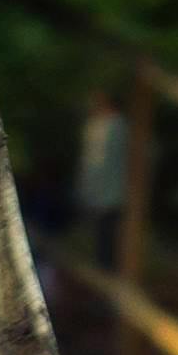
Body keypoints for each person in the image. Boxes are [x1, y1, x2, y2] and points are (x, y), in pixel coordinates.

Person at [74, 84, 130, 271]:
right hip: (93, 194)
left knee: (107, 243)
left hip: (112, 195)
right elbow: (89, 162)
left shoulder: (119, 127)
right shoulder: (93, 127)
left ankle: (107, 282)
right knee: (94, 242)